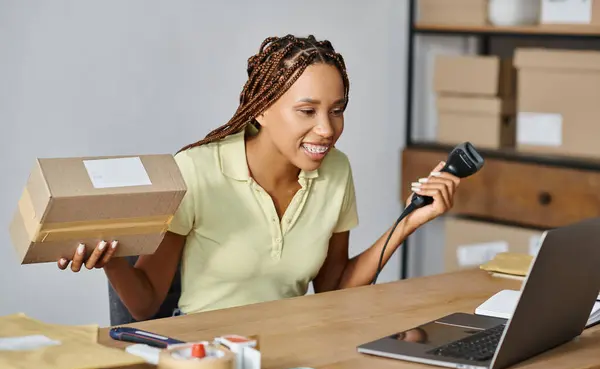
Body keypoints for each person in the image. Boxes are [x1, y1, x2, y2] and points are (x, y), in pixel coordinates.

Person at [56, 34, 461, 321]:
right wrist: (109, 261)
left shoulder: (336, 170)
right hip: (210, 352)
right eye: (307, 111)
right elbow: (145, 306)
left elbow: (334, 291)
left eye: (337, 110)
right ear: (262, 110)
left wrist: (410, 221)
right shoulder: (198, 170)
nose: (327, 129)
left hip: (296, 346)